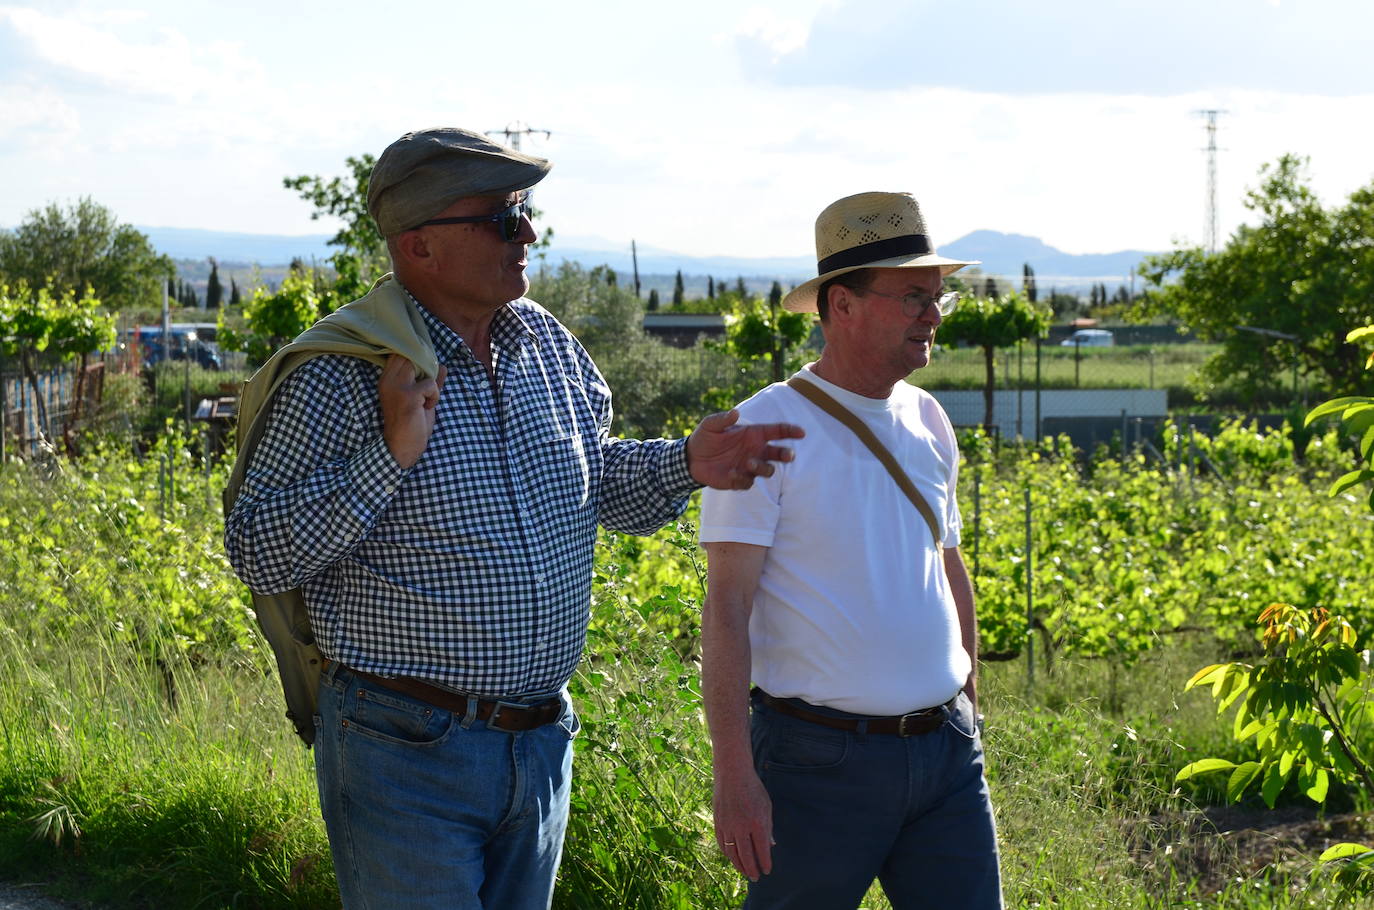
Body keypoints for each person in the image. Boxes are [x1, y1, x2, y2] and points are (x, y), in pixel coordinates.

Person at [223, 127, 803, 910]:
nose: (528, 233)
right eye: (501, 218)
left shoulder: (547, 347)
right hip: (404, 749)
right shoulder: (341, 374)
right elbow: (258, 549)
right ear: (420, 247)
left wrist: (685, 464)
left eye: (527, 210)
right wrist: (390, 454)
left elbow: (594, 482)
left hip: (538, 748)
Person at [699, 191, 1003, 909]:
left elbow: (946, 565)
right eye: (912, 298)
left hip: (946, 758)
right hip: (819, 764)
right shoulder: (763, 428)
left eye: (937, 297)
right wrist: (734, 774)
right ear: (842, 305)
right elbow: (726, 609)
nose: (932, 315)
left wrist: (968, 705)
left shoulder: (929, 418)